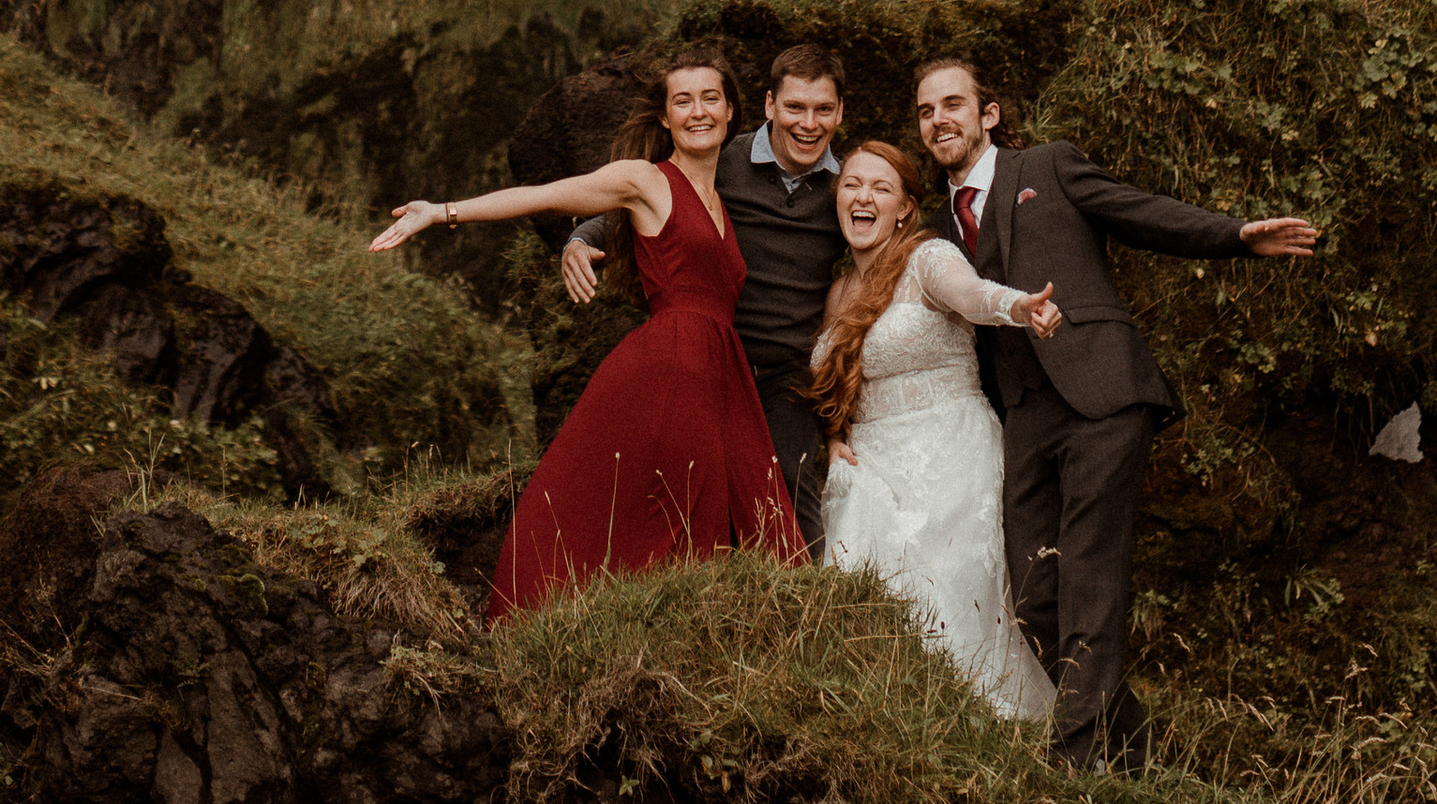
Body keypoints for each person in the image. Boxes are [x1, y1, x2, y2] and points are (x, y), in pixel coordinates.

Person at [914, 50, 1318, 771]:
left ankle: (1070, 771)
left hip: (1103, 392)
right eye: (926, 111)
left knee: (1091, 579)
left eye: (952, 104)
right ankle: (1136, 759)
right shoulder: (934, 228)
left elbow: (1141, 214)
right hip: (1025, 414)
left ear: (988, 114)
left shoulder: (1049, 167)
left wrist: (1233, 236)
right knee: (1035, 600)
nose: (939, 119)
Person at [375, 43, 802, 618]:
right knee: (675, 509)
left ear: (732, 113)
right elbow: (545, 195)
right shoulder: (645, 180)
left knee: (738, 513)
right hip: (672, 364)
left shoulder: (723, 200)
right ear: (664, 116)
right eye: (683, 101)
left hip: (720, 371)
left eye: (710, 99)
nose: (698, 111)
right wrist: (444, 211)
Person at [562, 36, 847, 554]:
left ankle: (810, 611)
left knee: (789, 479)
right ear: (767, 106)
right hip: (716, 358)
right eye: (794, 108)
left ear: (839, 113)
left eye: (822, 110)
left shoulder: (843, 189)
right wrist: (582, 238)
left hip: (788, 369)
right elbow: (648, 200)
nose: (808, 124)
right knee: (694, 482)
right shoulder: (723, 159)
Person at [808, 133, 1061, 717]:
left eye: (881, 187)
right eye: (851, 184)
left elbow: (970, 295)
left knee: (952, 599)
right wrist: (832, 438)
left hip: (949, 450)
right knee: (860, 590)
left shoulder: (928, 257)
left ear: (904, 208)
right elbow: (835, 384)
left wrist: (1016, 306)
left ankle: (987, 734)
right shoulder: (837, 292)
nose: (862, 196)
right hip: (869, 463)